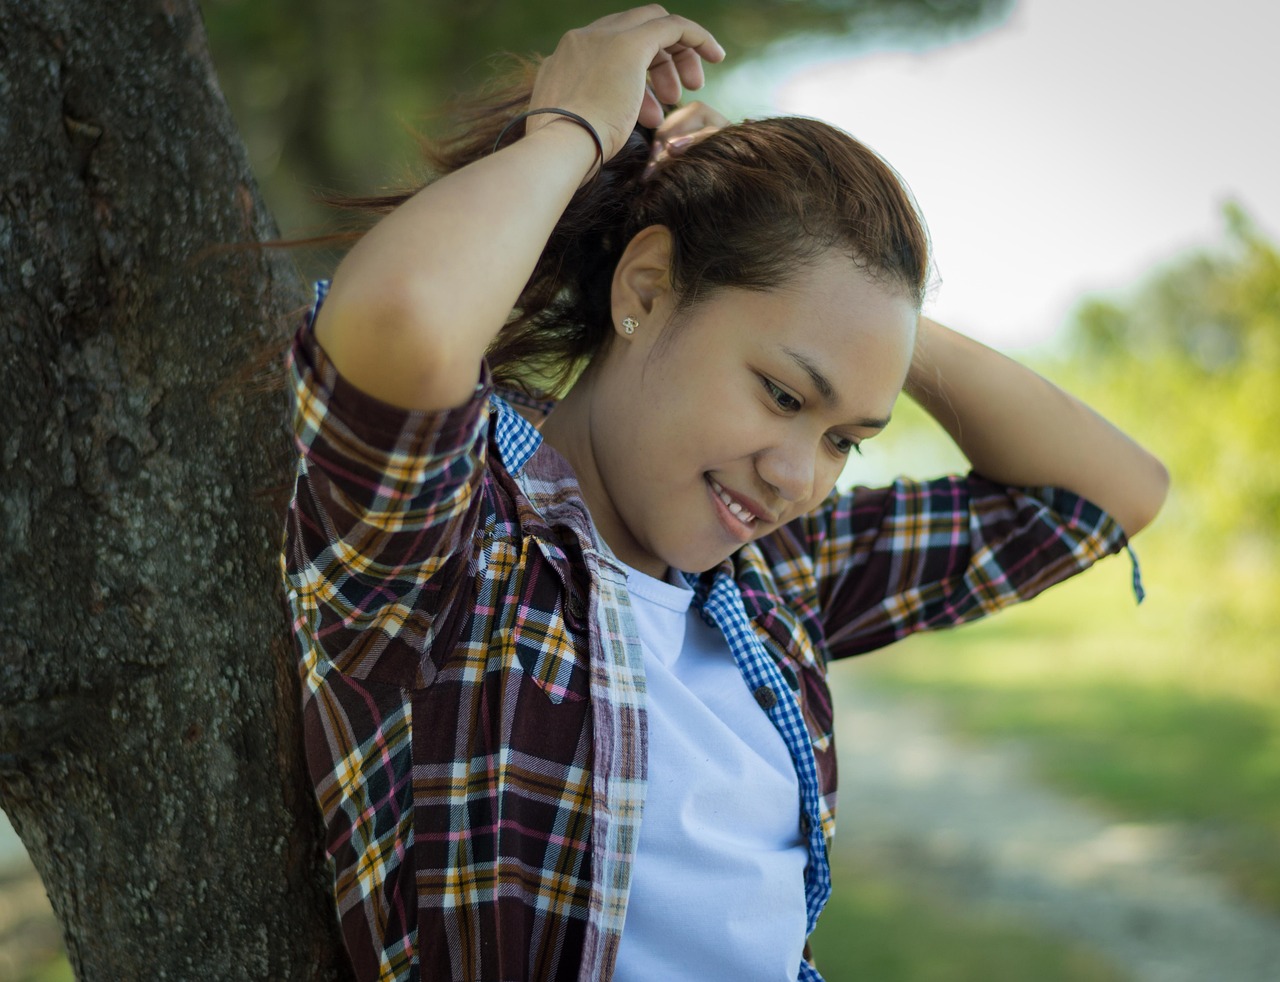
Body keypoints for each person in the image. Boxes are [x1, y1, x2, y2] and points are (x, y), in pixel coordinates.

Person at [281, 7, 1169, 981]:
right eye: (782, 393)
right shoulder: (457, 548)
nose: (797, 476)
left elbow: (1105, 494)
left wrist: (865, 315)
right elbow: (402, 322)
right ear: (646, 287)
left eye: (843, 439)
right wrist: (571, 129)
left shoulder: (773, 577)